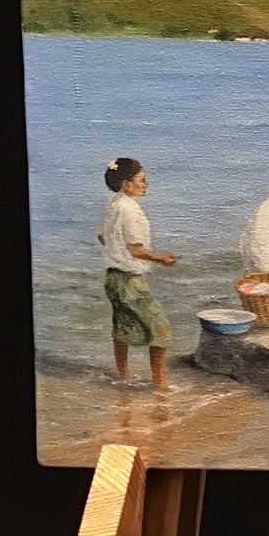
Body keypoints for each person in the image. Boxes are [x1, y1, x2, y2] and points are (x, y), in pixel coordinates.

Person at [97, 158, 178, 393]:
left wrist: (117, 251)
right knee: (161, 329)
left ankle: (123, 377)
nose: (146, 184)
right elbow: (136, 249)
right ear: (126, 183)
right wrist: (161, 258)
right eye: (141, 180)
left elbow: (102, 237)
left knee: (122, 327)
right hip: (129, 280)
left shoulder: (114, 204)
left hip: (113, 277)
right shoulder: (130, 209)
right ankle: (160, 386)